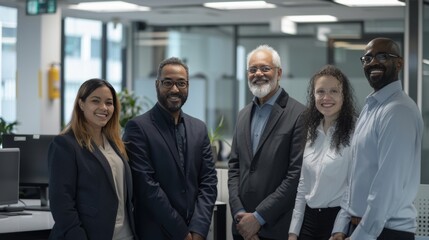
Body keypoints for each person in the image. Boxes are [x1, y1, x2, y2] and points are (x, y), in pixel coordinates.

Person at [331, 37, 424, 240]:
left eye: (383, 56)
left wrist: (360, 237)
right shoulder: (371, 108)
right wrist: (341, 226)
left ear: (399, 63)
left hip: (383, 232)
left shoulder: (398, 110)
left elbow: (387, 184)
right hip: (362, 228)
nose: (373, 62)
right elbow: (356, 175)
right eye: (367, 58)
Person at [123, 57, 218, 240]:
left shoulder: (198, 128)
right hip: (156, 233)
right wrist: (182, 232)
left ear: (188, 86)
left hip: (195, 233)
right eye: (168, 82)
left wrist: (198, 230)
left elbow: (208, 182)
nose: (175, 89)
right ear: (157, 84)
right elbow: (147, 187)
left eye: (181, 83)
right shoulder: (138, 128)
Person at [228, 44, 306, 240]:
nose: (258, 74)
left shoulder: (299, 114)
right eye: (252, 69)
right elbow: (234, 168)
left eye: (265, 68)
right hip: (242, 228)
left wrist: (258, 218)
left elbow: (295, 175)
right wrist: (240, 214)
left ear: (279, 73)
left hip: (276, 227)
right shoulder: (243, 115)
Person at [48, 78, 136, 240]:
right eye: (96, 101)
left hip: (125, 235)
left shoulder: (116, 144)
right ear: (81, 104)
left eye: (109, 103)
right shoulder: (65, 144)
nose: (103, 108)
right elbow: (62, 204)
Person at [288, 65, 357, 240]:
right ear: (313, 96)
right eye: (320, 92)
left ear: (344, 96)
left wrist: (339, 229)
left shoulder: (356, 130)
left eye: (334, 91)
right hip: (309, 222)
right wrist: (293, 232)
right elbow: (303, 186)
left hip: (338, 220)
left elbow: (353, 185)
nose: (326, 97)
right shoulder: (311, 130)